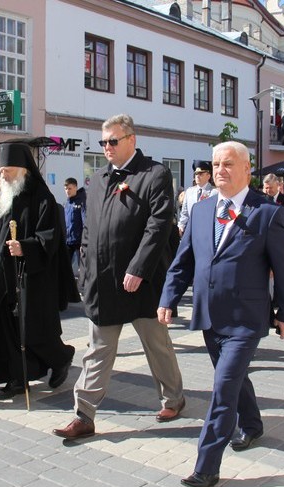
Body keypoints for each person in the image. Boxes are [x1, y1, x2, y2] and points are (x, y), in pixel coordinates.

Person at [157, 141, 284, 487]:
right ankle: (252, 424)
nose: (220, 170)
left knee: (222, 388)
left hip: (246, 319)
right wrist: (168, 297)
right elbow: (183, 261)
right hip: (209, 314)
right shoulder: (203, 210)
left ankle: (207, 465)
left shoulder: (266, 213)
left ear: (248, 170)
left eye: (229, 164)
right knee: (232, 378)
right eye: (216, 164)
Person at [53, 114, 185, 440]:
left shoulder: (154, 174)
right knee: (97, 350)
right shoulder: (97, 178)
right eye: (103, 142)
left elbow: (158, 225)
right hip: (104, 283)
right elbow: (89, 231)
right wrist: (84, 273)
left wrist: (138, 268)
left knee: (157, 346)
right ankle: (83, 415)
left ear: (131, 140)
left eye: (113, 141)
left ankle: (174, 399)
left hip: (143, 283)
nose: (107, 147)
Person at [0, 143, 76, 396]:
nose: (2, 176)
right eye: (1, 171)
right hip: (0, 275)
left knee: (33, 330)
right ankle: (18, 379)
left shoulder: (43, 198)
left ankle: (61, 357)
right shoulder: (2, 200)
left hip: (31, 276)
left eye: (7, 171)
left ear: (23, 171)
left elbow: (50, 238)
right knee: (4, 328)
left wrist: (26, 248)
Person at [178, 161, 214, 235]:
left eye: (201, 174)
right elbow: (185, 213)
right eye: (196, 174)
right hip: (191, 231)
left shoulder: (215, 192)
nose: (197, 176)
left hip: (208, 232)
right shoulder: (189, 192)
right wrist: (181, 225)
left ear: (208, 176)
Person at [63, 177, 87, 275]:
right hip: (68, 241)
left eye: (70, 188)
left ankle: (82, 289)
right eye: (66, 189)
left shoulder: (82, 202)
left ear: (75, 188)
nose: (67, 191)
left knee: (82, 269)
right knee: (64, 267)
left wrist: (84, 242)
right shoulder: (67, 203)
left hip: (79, 242)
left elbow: (85, 222)